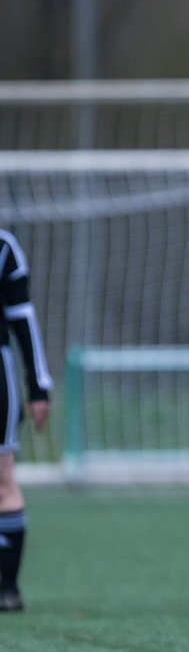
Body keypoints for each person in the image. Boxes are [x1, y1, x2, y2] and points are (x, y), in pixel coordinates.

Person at [0, 228, 52, 612]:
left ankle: (7, 588)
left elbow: (23, 319)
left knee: (1, 481)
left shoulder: (3, 247)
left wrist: (38, 386)